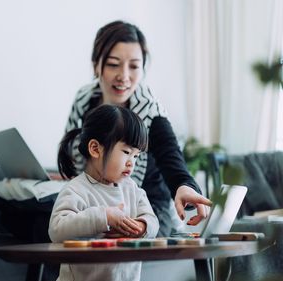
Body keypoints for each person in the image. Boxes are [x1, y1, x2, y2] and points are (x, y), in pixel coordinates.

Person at [65, 20, 212, 236]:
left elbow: (171, 156)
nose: (124, 76)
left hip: (147, 207)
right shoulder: (84, 99)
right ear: (97, 65)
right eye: (114, 64)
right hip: (92, 198)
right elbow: (73, 153)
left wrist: (184, 185)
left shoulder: (150, 111)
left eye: (134, 66)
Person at [49, 104, 160, 281]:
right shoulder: (76, 189)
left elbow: (152, 221)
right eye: (126, 152)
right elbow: (57, 229)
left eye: (136, 156)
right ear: (95, 149)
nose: (131, 163)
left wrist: (142, 227)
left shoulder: (132, 189)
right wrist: (104, 216)